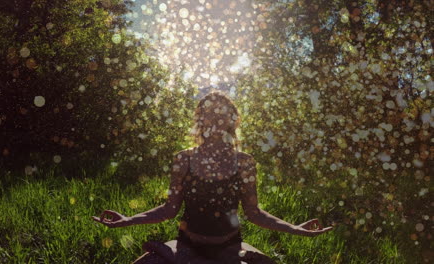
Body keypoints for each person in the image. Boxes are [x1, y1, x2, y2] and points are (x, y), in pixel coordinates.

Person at [92, 91, 333, 263]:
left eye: (222, 114)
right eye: (209, 114)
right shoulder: (184, 159)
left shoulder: (245, 162)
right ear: (200, 120)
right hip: (187, 250)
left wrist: (296, 229)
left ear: (232, 120)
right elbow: (168, 209)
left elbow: (254, 213)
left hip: (229, 252)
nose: (216, 120)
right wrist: (126, 220)